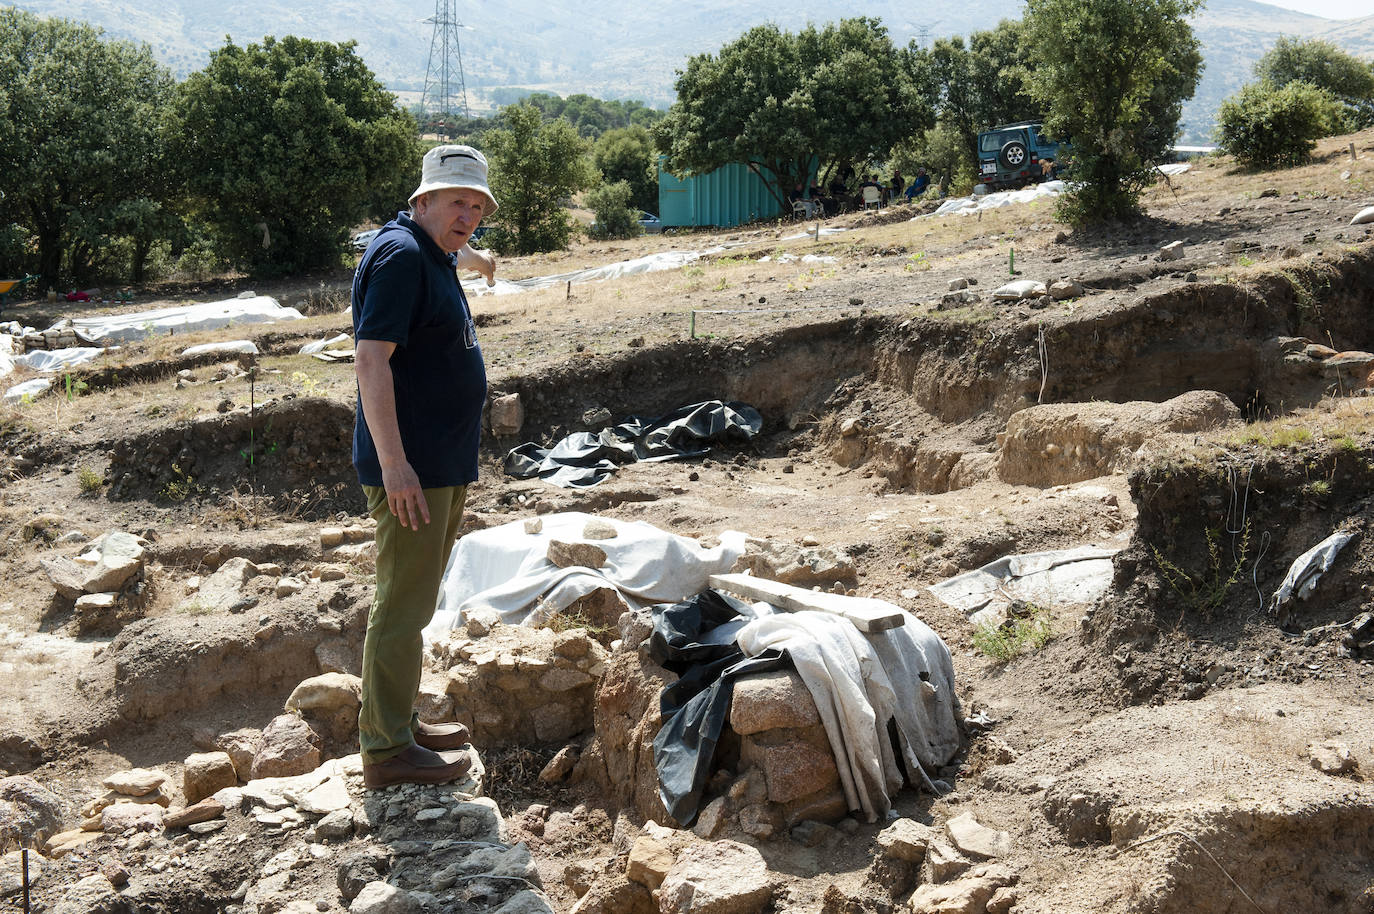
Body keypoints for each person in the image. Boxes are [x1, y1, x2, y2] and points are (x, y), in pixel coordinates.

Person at [351, 144, 498, 788]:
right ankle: (386, 750)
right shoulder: (405, 257)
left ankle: (401, 722)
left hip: (440, 459)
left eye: (477, 205)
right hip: (413, 468)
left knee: (414, 598)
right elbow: (371, 362)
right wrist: (395, 466)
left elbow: (457, 249)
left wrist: (479, 258)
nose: (466, 214)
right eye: (455, 201)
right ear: (423, 201)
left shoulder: (428, 246)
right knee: (403, 606)